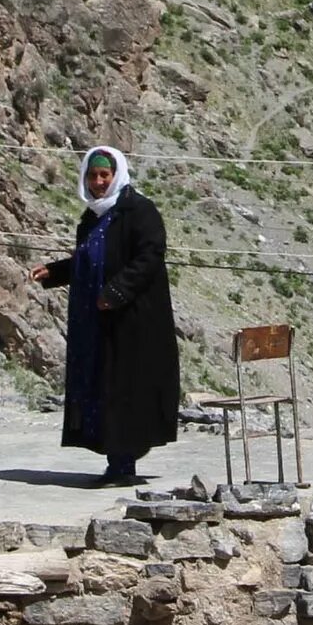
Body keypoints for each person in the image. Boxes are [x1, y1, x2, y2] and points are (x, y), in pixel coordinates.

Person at [32, 146, 180, 487]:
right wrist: (54, 272)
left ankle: (123, 465)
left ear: (117, 176)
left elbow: (149, 256)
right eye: (93, 176)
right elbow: (88, 262)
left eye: (104, 175)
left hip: (132, 322)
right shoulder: (93, 217)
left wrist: (115, 293)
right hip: (99, 321)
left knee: (124, 389)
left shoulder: (139, 211)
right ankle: (117, 459)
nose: (98, 182)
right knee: (105, 387)